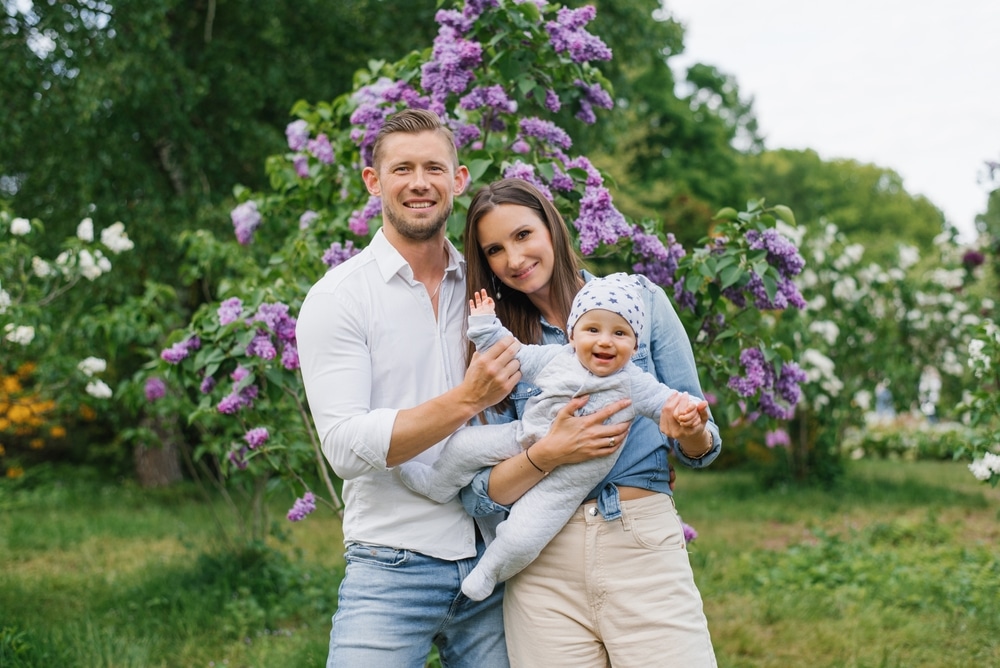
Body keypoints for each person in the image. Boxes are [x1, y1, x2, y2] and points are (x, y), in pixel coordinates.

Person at [295, 110, 632, 667]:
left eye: (434, 167)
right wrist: (467, 400)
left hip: (501, 556)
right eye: (402, 168)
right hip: (392, 561)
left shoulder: (495, 286)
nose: (419, 182)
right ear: (373, 182)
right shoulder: (339, 299)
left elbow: (579, 360)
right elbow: (344, 446)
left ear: (458, 179)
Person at [459, 178, 722, 667]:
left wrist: (690, 429)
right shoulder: (504, 346)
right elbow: (478, 492)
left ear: (552, 229)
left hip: (639, 542)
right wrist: (547, 454)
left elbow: (705, 444)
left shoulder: (640, 301)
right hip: (541, 562)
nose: (513, 259)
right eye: (494, 249)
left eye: (522, 235)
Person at [400, 276, 710, 601]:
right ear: (572, 335)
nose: (605, 341)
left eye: (619, 333)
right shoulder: (553, 358)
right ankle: (437, 484)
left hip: (573, 479)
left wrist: (686, 413)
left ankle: (490, 569)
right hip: (524, 439)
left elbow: (670, 400)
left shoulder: (634, 382)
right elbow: (510, 352)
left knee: (525, 532)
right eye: (593, 330)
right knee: (464, 445)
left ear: (634, 346)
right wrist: (484, 325)